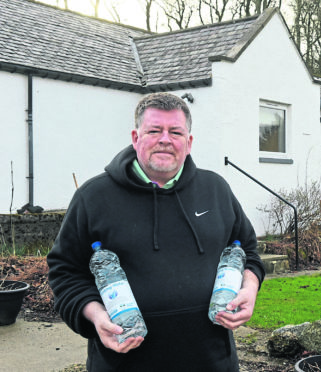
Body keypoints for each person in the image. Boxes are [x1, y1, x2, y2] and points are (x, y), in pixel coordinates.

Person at [47, 92, 265, 371]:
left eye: (175, 132)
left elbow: (248, 251)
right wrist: (96, 315)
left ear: (188, 142)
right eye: (154, 130)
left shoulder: (216, 190)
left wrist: (250, 287)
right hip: (123, 363)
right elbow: (65, 272)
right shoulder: (93, 197)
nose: (165, 139)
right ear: (136, 138)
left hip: (212, 361)